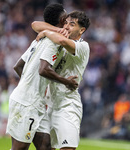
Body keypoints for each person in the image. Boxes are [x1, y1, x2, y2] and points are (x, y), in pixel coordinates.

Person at [6, 3, 78, 150]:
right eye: (66, 18)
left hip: (35, 102)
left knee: (46, 146)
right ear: (62, 19)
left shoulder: (39, 39)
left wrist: (32, 86)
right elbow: (43, 70)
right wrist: (66, 82)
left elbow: (18, 66)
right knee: (20, 148)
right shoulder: (54, 41)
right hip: (27, 103)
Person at [34, 10, 90, 150]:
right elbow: (35, 24)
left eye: (72, 24)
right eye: (65, 23)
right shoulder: (58, 40)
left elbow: (62, 40)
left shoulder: (83, 46)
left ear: (81, 30)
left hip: (68, 106)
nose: (66, 27)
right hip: (50, 106)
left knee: (67, 148)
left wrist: (46, 32)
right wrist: (56, 29)